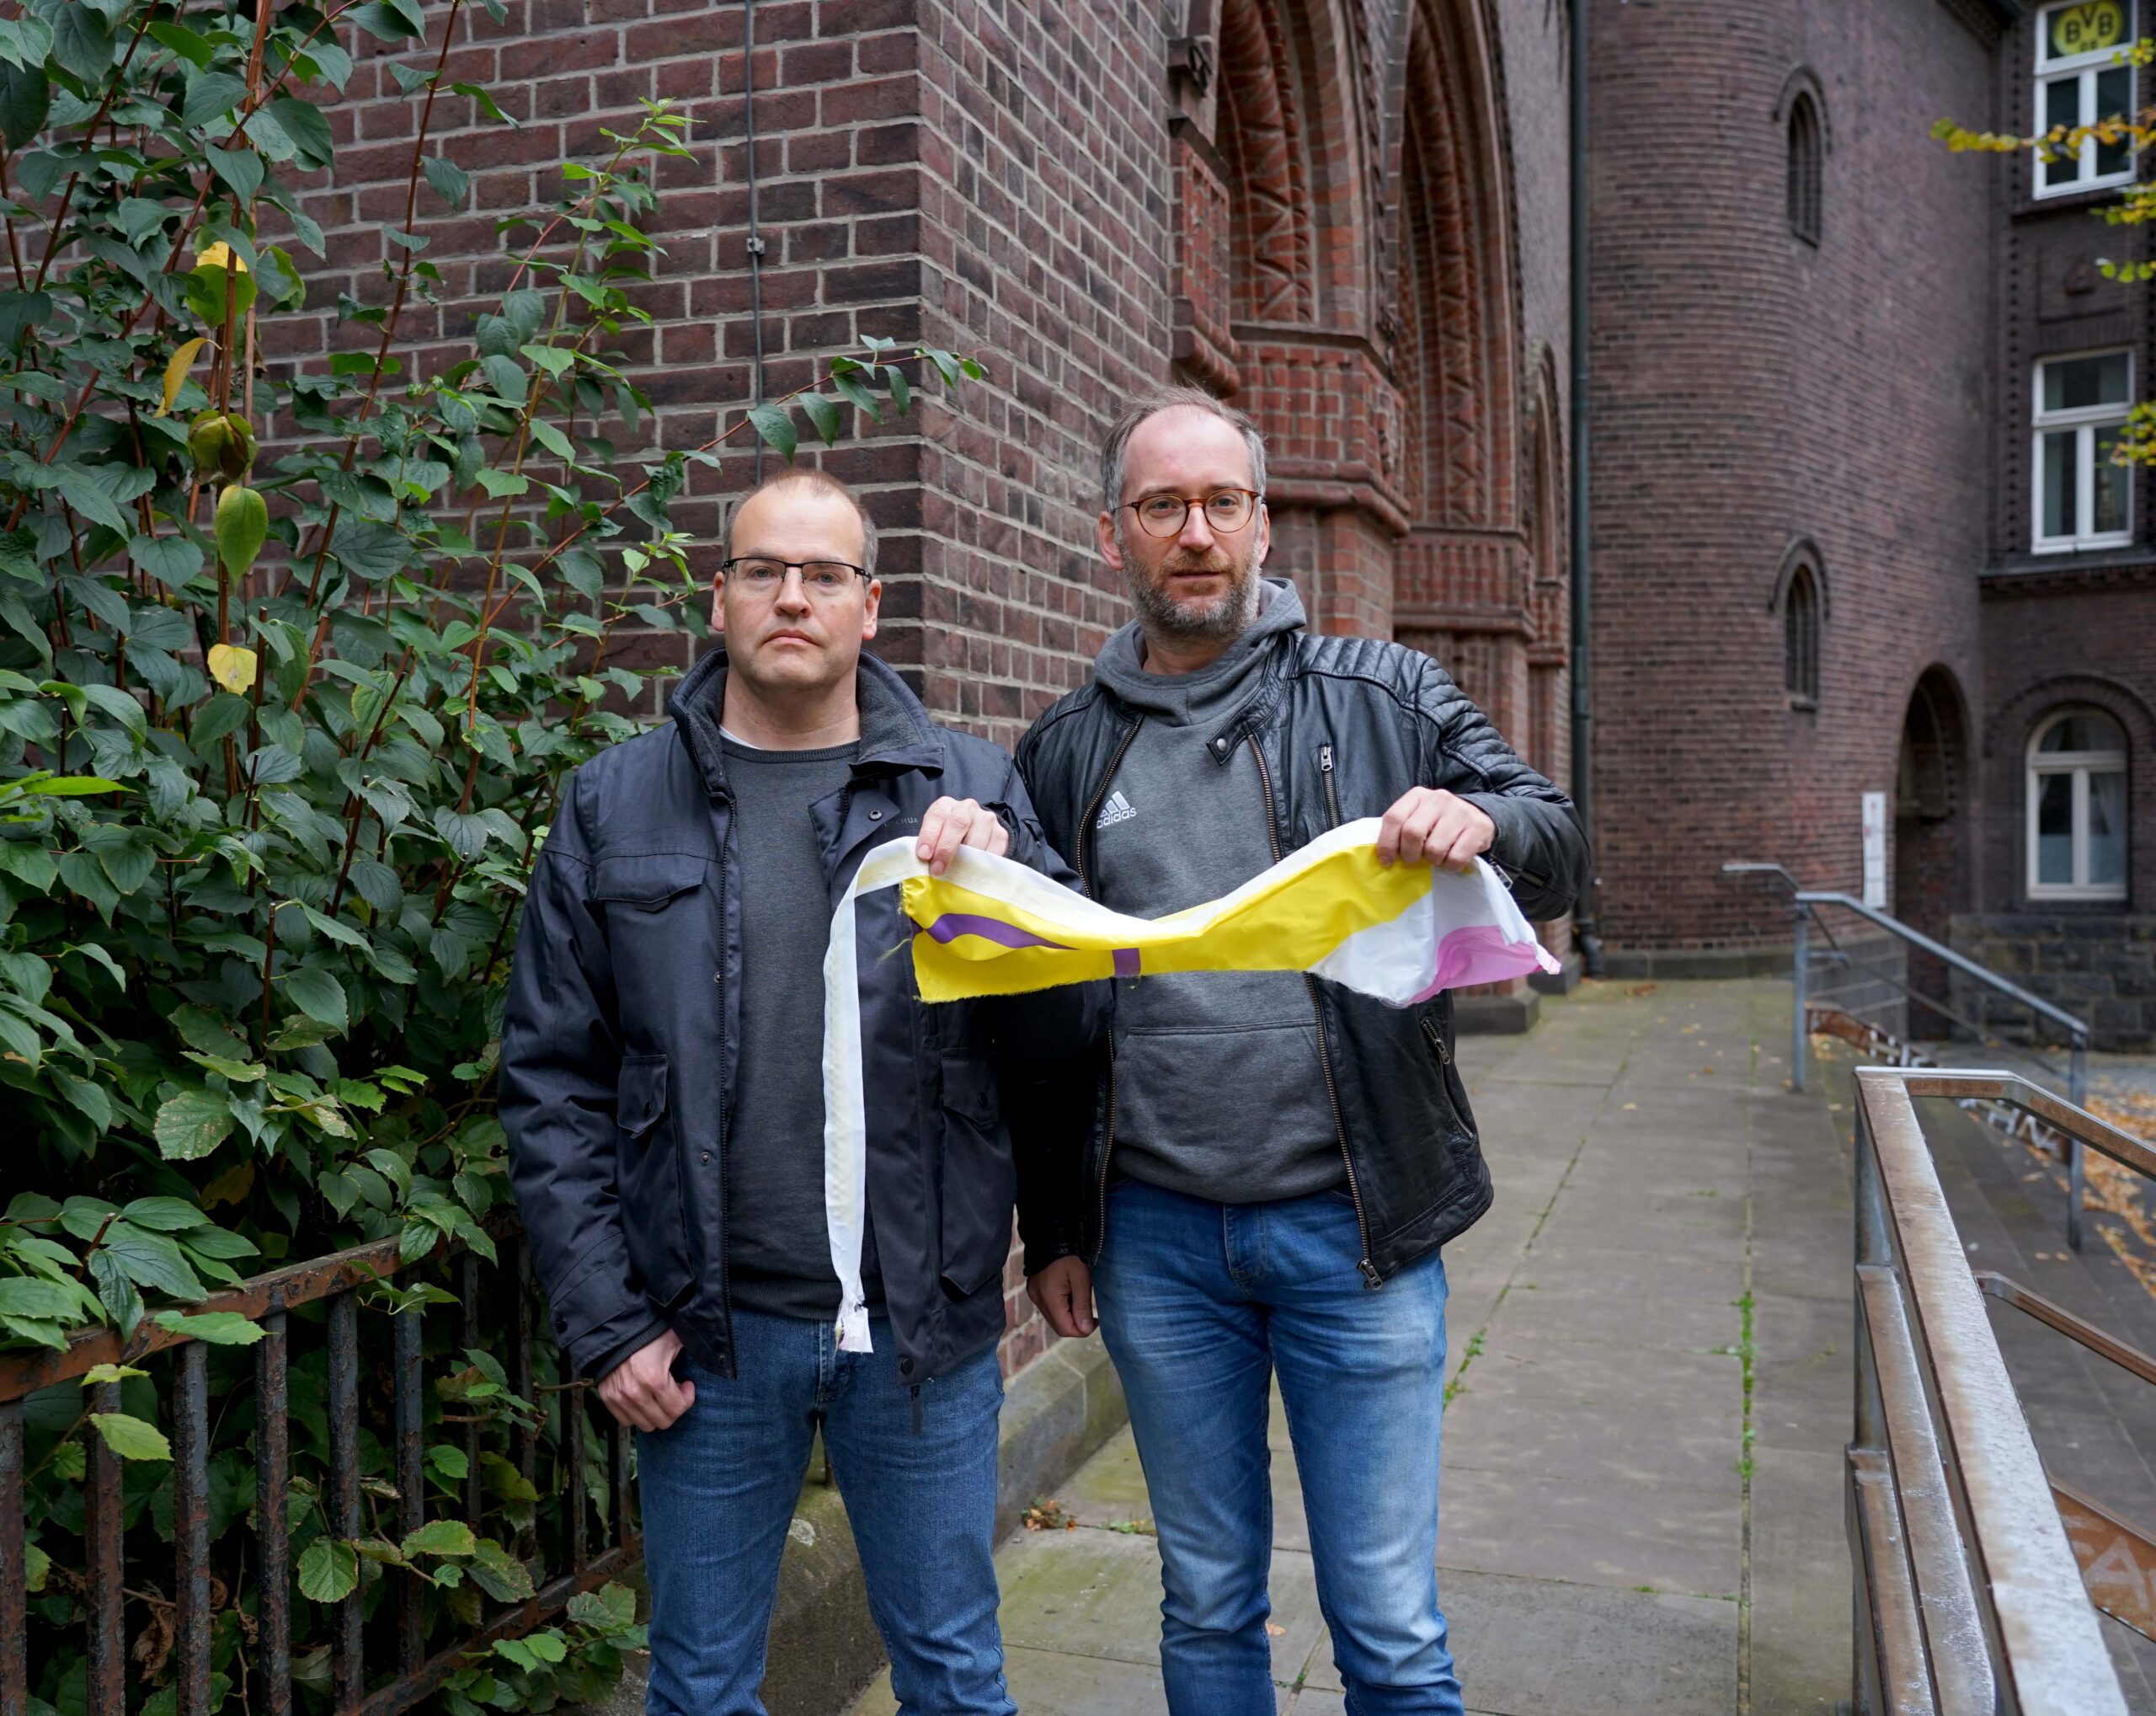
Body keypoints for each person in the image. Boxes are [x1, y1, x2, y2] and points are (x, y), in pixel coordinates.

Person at [1012, 387, 1591, 1716]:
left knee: (1385, 1623)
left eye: (1224, 502)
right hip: (1158, 1242)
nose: (1197, 532)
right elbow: (1044, 1017)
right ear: (1116, 536)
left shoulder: (1387, 696)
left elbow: (1559, 838)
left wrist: (1482, 821)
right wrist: (1056, 1225)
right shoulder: (1063, 750)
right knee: (1207, 1600)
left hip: (1358, 1229)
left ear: (1267, 524)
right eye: (1165, 506)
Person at [499, 468, 1102, 1716]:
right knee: (703, 1684)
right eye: (763, 570)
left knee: (951, 1671)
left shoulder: (969, 790)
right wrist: (608, 1322)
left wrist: (1009, 894)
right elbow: (554, 1077)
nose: (793, 596)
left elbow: (1060, 1038)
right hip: (705, 1334)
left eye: (824, 574)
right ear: (717, 599)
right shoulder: (614, 803)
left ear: (871, 605)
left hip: (917, 1332)